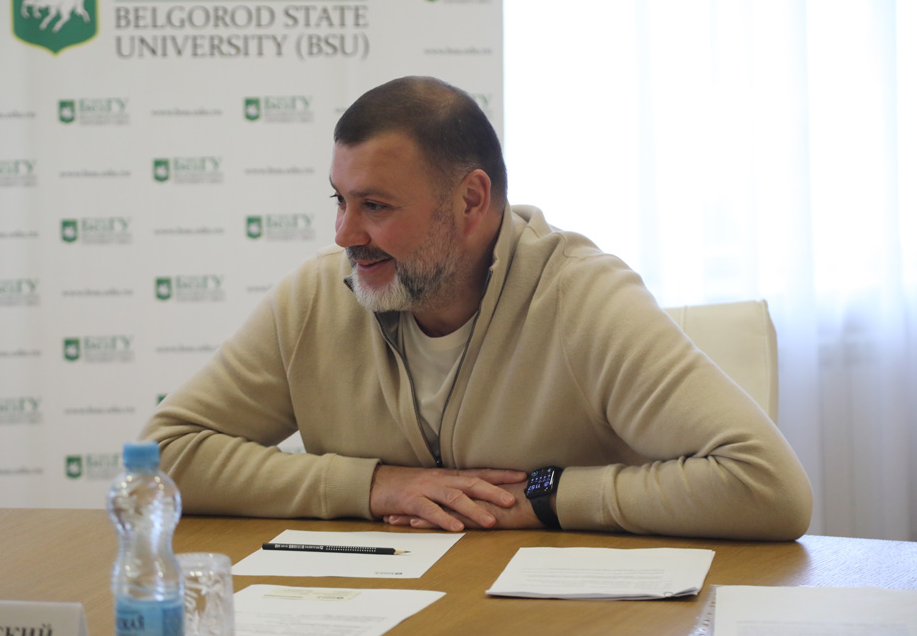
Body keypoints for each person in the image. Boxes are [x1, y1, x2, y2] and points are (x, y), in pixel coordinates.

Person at [141, 76, 813, 540]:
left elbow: (769, 486)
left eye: (375, 205)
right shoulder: (317, 295)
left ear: (470, 200)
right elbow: (162, 456)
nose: (345, 235)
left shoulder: (583, 298)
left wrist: (545, 496)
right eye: (340, 201)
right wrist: (372, 486)